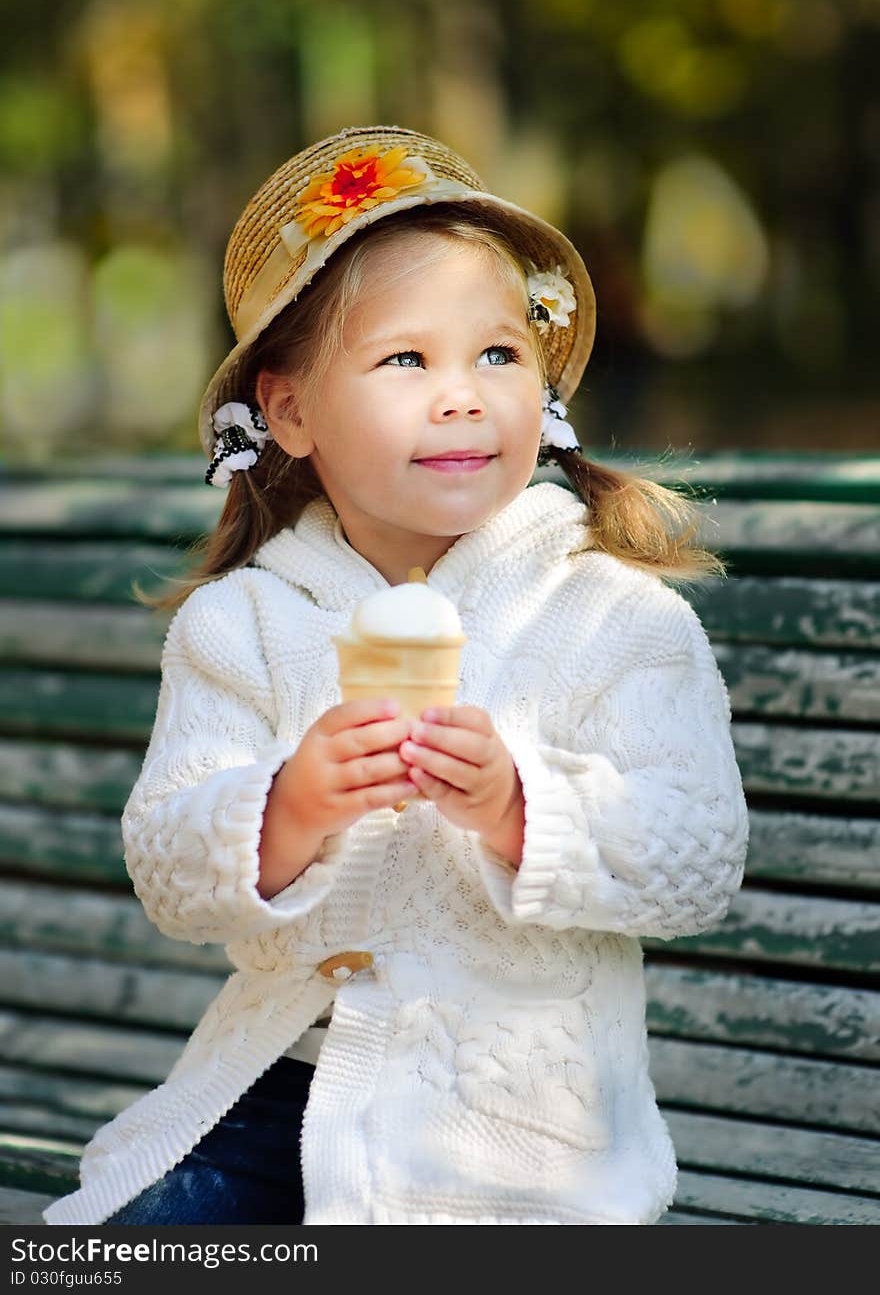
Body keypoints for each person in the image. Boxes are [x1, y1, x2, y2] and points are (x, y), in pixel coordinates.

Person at [43, 125, 749, 1227]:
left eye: (498, 356)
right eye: (406, 360)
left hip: (515, 1133)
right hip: (274, 1097)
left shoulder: (610, 615)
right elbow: (171, 869)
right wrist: (286, 807)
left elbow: (696, 854)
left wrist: (523, 806)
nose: (462, 395)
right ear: (289, 411)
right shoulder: (243, 626)